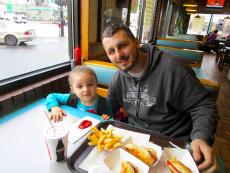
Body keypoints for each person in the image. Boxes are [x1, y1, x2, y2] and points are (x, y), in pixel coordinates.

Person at [102, 23, 219, 172]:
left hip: (173, 144)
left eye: (123, 45)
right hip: (135, 141)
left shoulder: (174, 69)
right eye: (111, 51)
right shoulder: (118, 78)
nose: (119, 55)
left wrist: (201, 137)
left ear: (137, 42)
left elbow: (203, 105)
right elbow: (108, 108)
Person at [45, 66, 111, 122]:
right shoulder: (70, 98)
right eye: (80, 86)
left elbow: (112, 119)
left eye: (90, 84)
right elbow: (52, 96)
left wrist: (107, 118)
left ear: (96, 84)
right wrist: (55, 107)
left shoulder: (106, 103)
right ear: (73, 89)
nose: (86, 89)